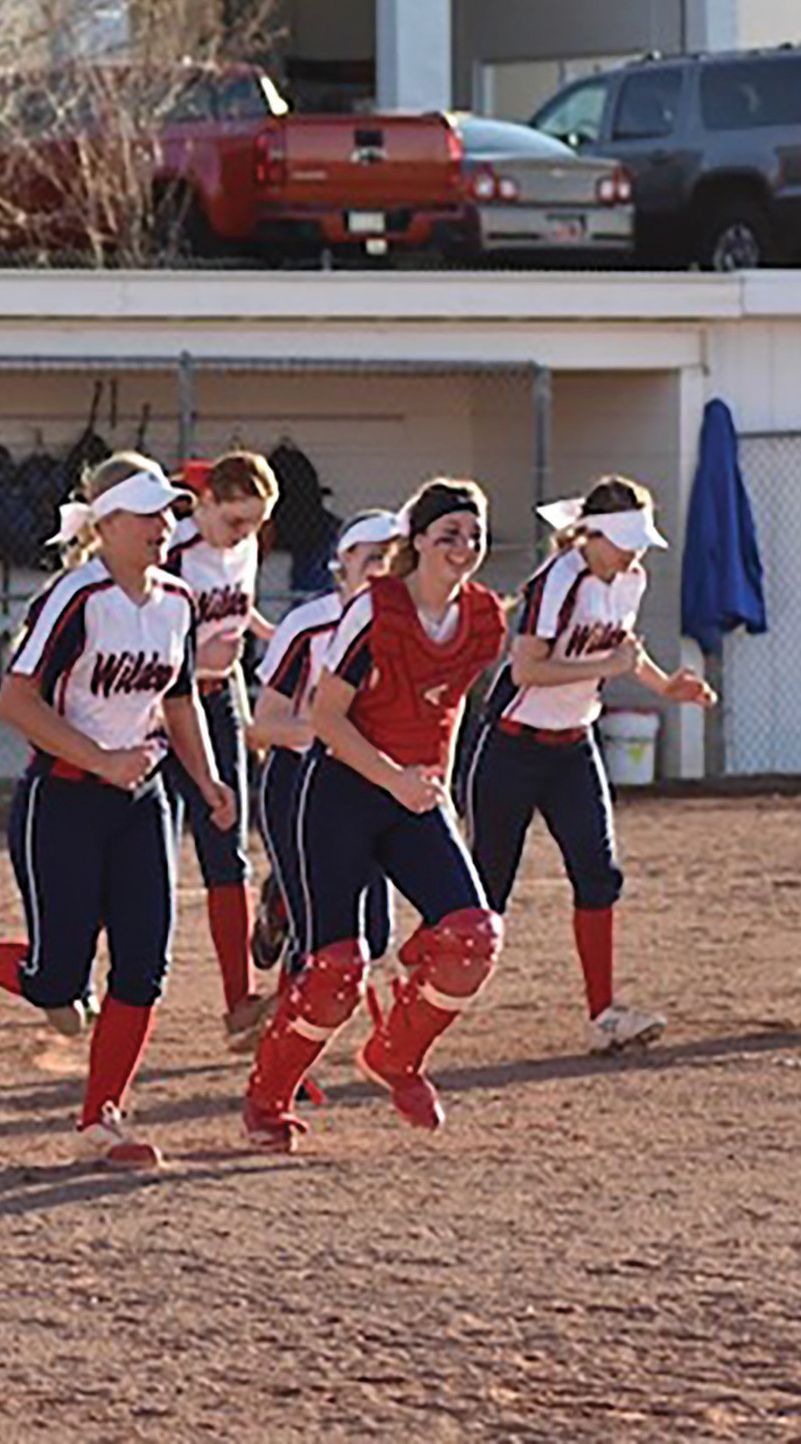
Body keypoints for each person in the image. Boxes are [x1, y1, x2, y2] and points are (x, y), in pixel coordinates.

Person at [0, 453, 234, 1172]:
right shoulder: (77, 596)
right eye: (148, 513)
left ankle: (101, 1117)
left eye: (168, 513)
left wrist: (206, 779)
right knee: (58, 979)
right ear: (107, 523)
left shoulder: (178, 599)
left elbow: (178, 699)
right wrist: (100, 759)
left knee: (144, 964)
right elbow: (21, 702)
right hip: (62, 799)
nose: (163, 525)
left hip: (141, 801)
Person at [241, 477, 507, 1153]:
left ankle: (395, 1056)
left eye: (474, 535)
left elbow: (445, 705)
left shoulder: (481, 616)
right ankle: (268, 1100)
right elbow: (327, 720)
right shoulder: (375, 609)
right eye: (449, 534)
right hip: (343, 791)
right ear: (416, 542)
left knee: (474, 936)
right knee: (335, 970)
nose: (464, 547)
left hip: (410, 792)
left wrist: (432, 780)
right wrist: (394, 778)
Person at [462, 476, 716, 1055]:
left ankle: (603, 1013)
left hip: (572, 746)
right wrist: (610, 663)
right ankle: (416, 987)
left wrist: (665, 684)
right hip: (510, 745)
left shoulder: (630, 578)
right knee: (484, 895)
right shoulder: (558, 579)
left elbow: (624, 648)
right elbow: (527, 671)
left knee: (598, 874)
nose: (633, 552)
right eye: (623, 539)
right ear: (592, 533)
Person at [247, 510, 402, 1009]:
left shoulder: (412, 625)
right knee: (319, 923)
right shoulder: (309, 625)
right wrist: (328, 732)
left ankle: (279, 904)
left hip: (374, 779)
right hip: (301, 777)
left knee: (374, 934)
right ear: (343, 564)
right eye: (372, 556)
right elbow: (261, 726)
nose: (385, 566)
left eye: (396, 556)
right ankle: (286, 1022)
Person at [164, 450, 280, 1048]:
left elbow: (236, 613)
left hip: (218, 702)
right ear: (204, 503)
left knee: (226, 847)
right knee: (142, 858)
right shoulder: (174, 553)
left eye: (257, 523)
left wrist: (271, 633)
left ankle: (239, 1002)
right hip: (159, 713)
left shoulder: (245, 547)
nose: (248, 534)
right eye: (236, 521)